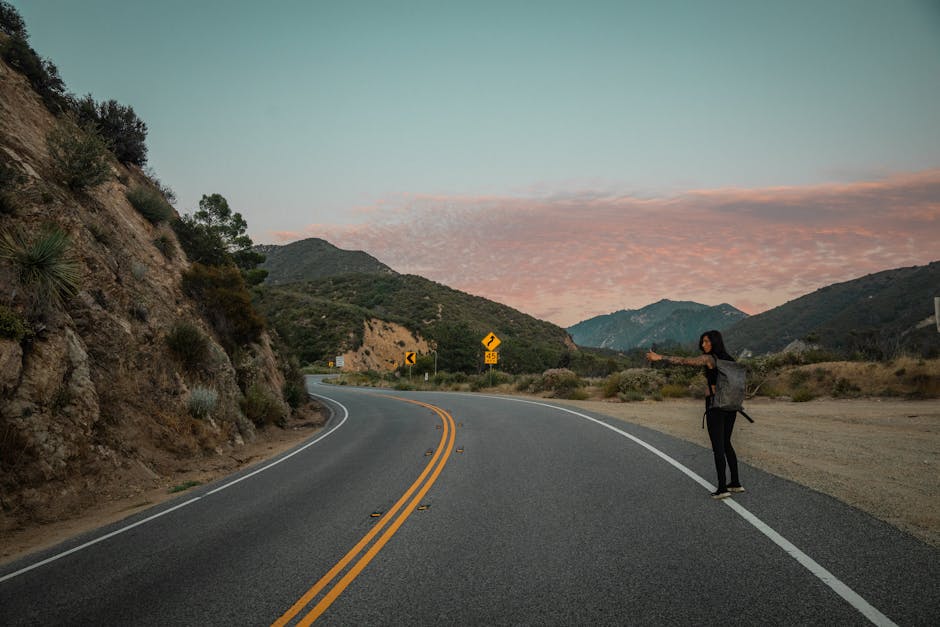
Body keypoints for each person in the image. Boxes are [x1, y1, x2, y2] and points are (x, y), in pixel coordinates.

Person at [646, 330, 744, 500]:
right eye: (702, 342)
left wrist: (659, 357)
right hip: (731, 406)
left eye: (707, 342)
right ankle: (735, 483)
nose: (703, 345)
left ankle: (722, 488)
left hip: (716, 406)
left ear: (715, 342)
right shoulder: (729, 360)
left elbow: (685, 361)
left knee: (718, 447)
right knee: (727, 443)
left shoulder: (709, 358)